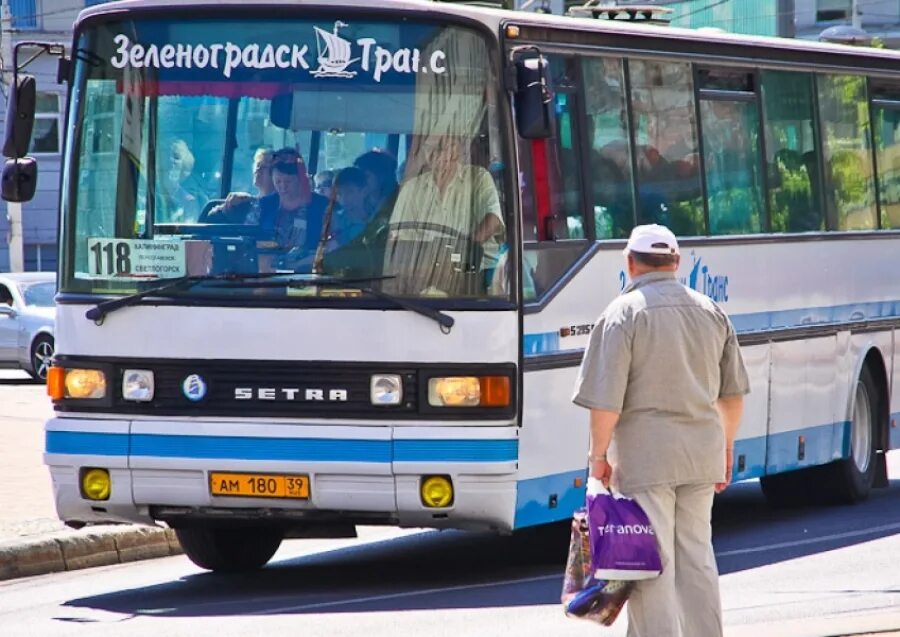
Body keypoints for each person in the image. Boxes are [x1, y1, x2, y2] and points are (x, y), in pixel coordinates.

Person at [571, 224, 749, 637]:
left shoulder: (622, 314)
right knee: (697, 556)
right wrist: (725, 447)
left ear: (630, 264)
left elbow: (605, 403)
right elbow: (734, 394)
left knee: (650, 563)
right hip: (701, 454)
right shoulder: (710, 311)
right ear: (676, 263)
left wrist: (598, 457)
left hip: (645, 459)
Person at [385, 135, 504, 294]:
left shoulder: (478, 178)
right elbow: (397, 237)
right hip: (421, 273)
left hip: (474, 272)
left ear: (460, 149)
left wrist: (466, 252)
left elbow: (493, 218)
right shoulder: (411, 189)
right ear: (426, 153)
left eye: (449, 146)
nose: (443, 154)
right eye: (436, 148)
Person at [257, 148, 329, 271]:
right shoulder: (263, 206)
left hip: (309, 275)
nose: (283, 187)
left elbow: (334, 246)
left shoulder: (322, 206)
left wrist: (301, 264)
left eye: (288, 181)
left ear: (301, 179)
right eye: (278, 181)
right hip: (267, 275)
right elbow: (247, 238)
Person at [206, 147, 276, 224]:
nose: (258, 169)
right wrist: (226, 209)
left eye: (263, 167)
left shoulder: (280, 207)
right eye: (257, 165)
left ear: (275, 174)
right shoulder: (244, 202)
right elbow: (210, 218)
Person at [159, 138, 206, 222]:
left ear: (185, 166)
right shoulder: (144, 194)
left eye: (176, 157)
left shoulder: (189, 202)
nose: (171, 160)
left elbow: (188, 232)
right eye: (166, 155)